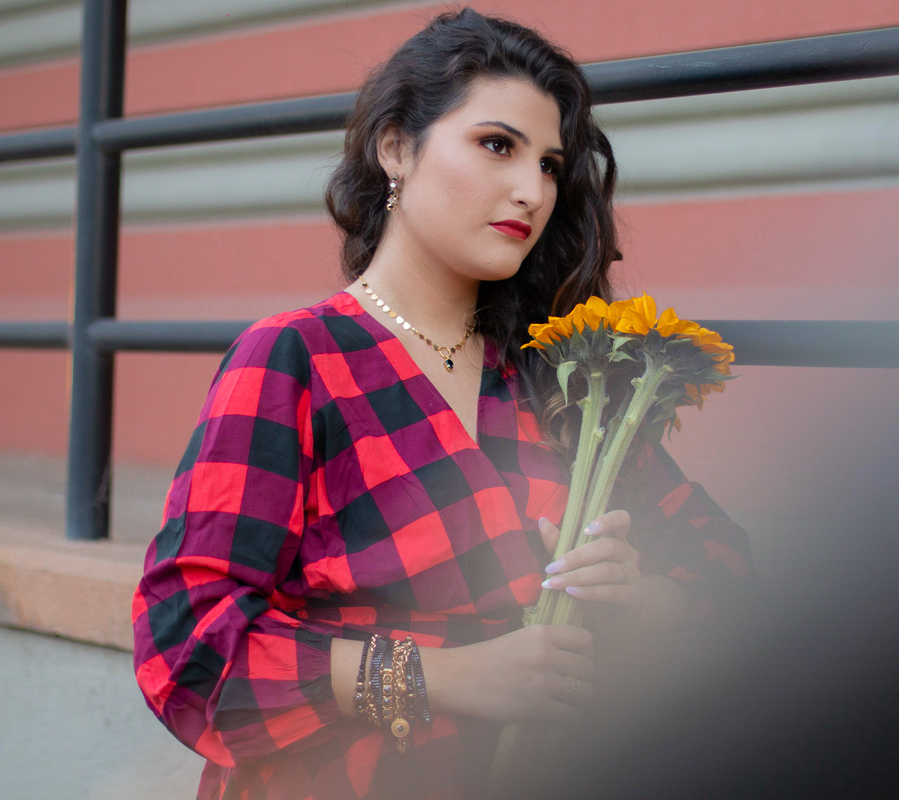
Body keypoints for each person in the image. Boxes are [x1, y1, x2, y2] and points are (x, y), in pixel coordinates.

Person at [132, 9, 754, 799]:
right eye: (497, 145)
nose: (532, 191)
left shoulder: (561, 380)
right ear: (396, 147)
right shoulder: (297, 359)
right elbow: (188, 646)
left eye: (551, 166)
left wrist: (633, 598)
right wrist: (444, 677)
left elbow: (727, 572)